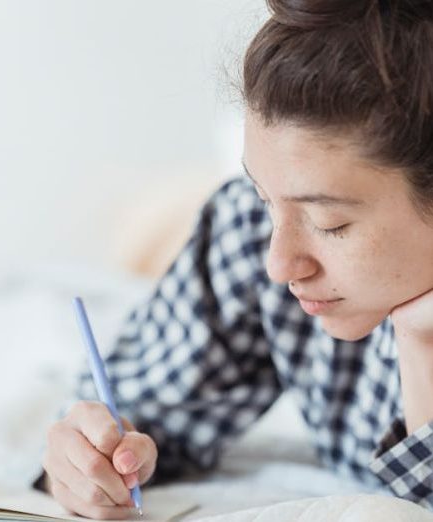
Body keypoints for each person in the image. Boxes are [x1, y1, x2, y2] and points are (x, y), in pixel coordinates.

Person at [38, 0, 433, 518]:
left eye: (330, 224)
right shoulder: (246, 231)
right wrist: (85, 460)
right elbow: (136, 409)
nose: (279, 265)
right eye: (266, 198)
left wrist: (421, 345)